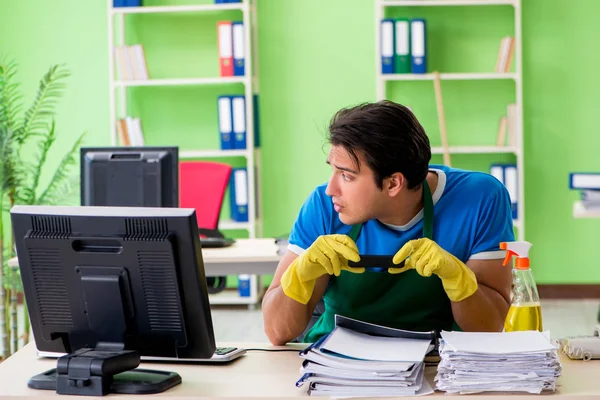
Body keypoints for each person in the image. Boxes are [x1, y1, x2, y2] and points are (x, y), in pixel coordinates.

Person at [262, 100, 514, 345]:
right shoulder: (323, 206)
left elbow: (488, 328)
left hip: (436, 366)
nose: (330, 189)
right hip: (333, 364)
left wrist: (460, 281)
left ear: (393, 183)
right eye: (333, 170)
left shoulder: (480, 198)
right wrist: (298, 279)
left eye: (346, 176)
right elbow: (277, 332)